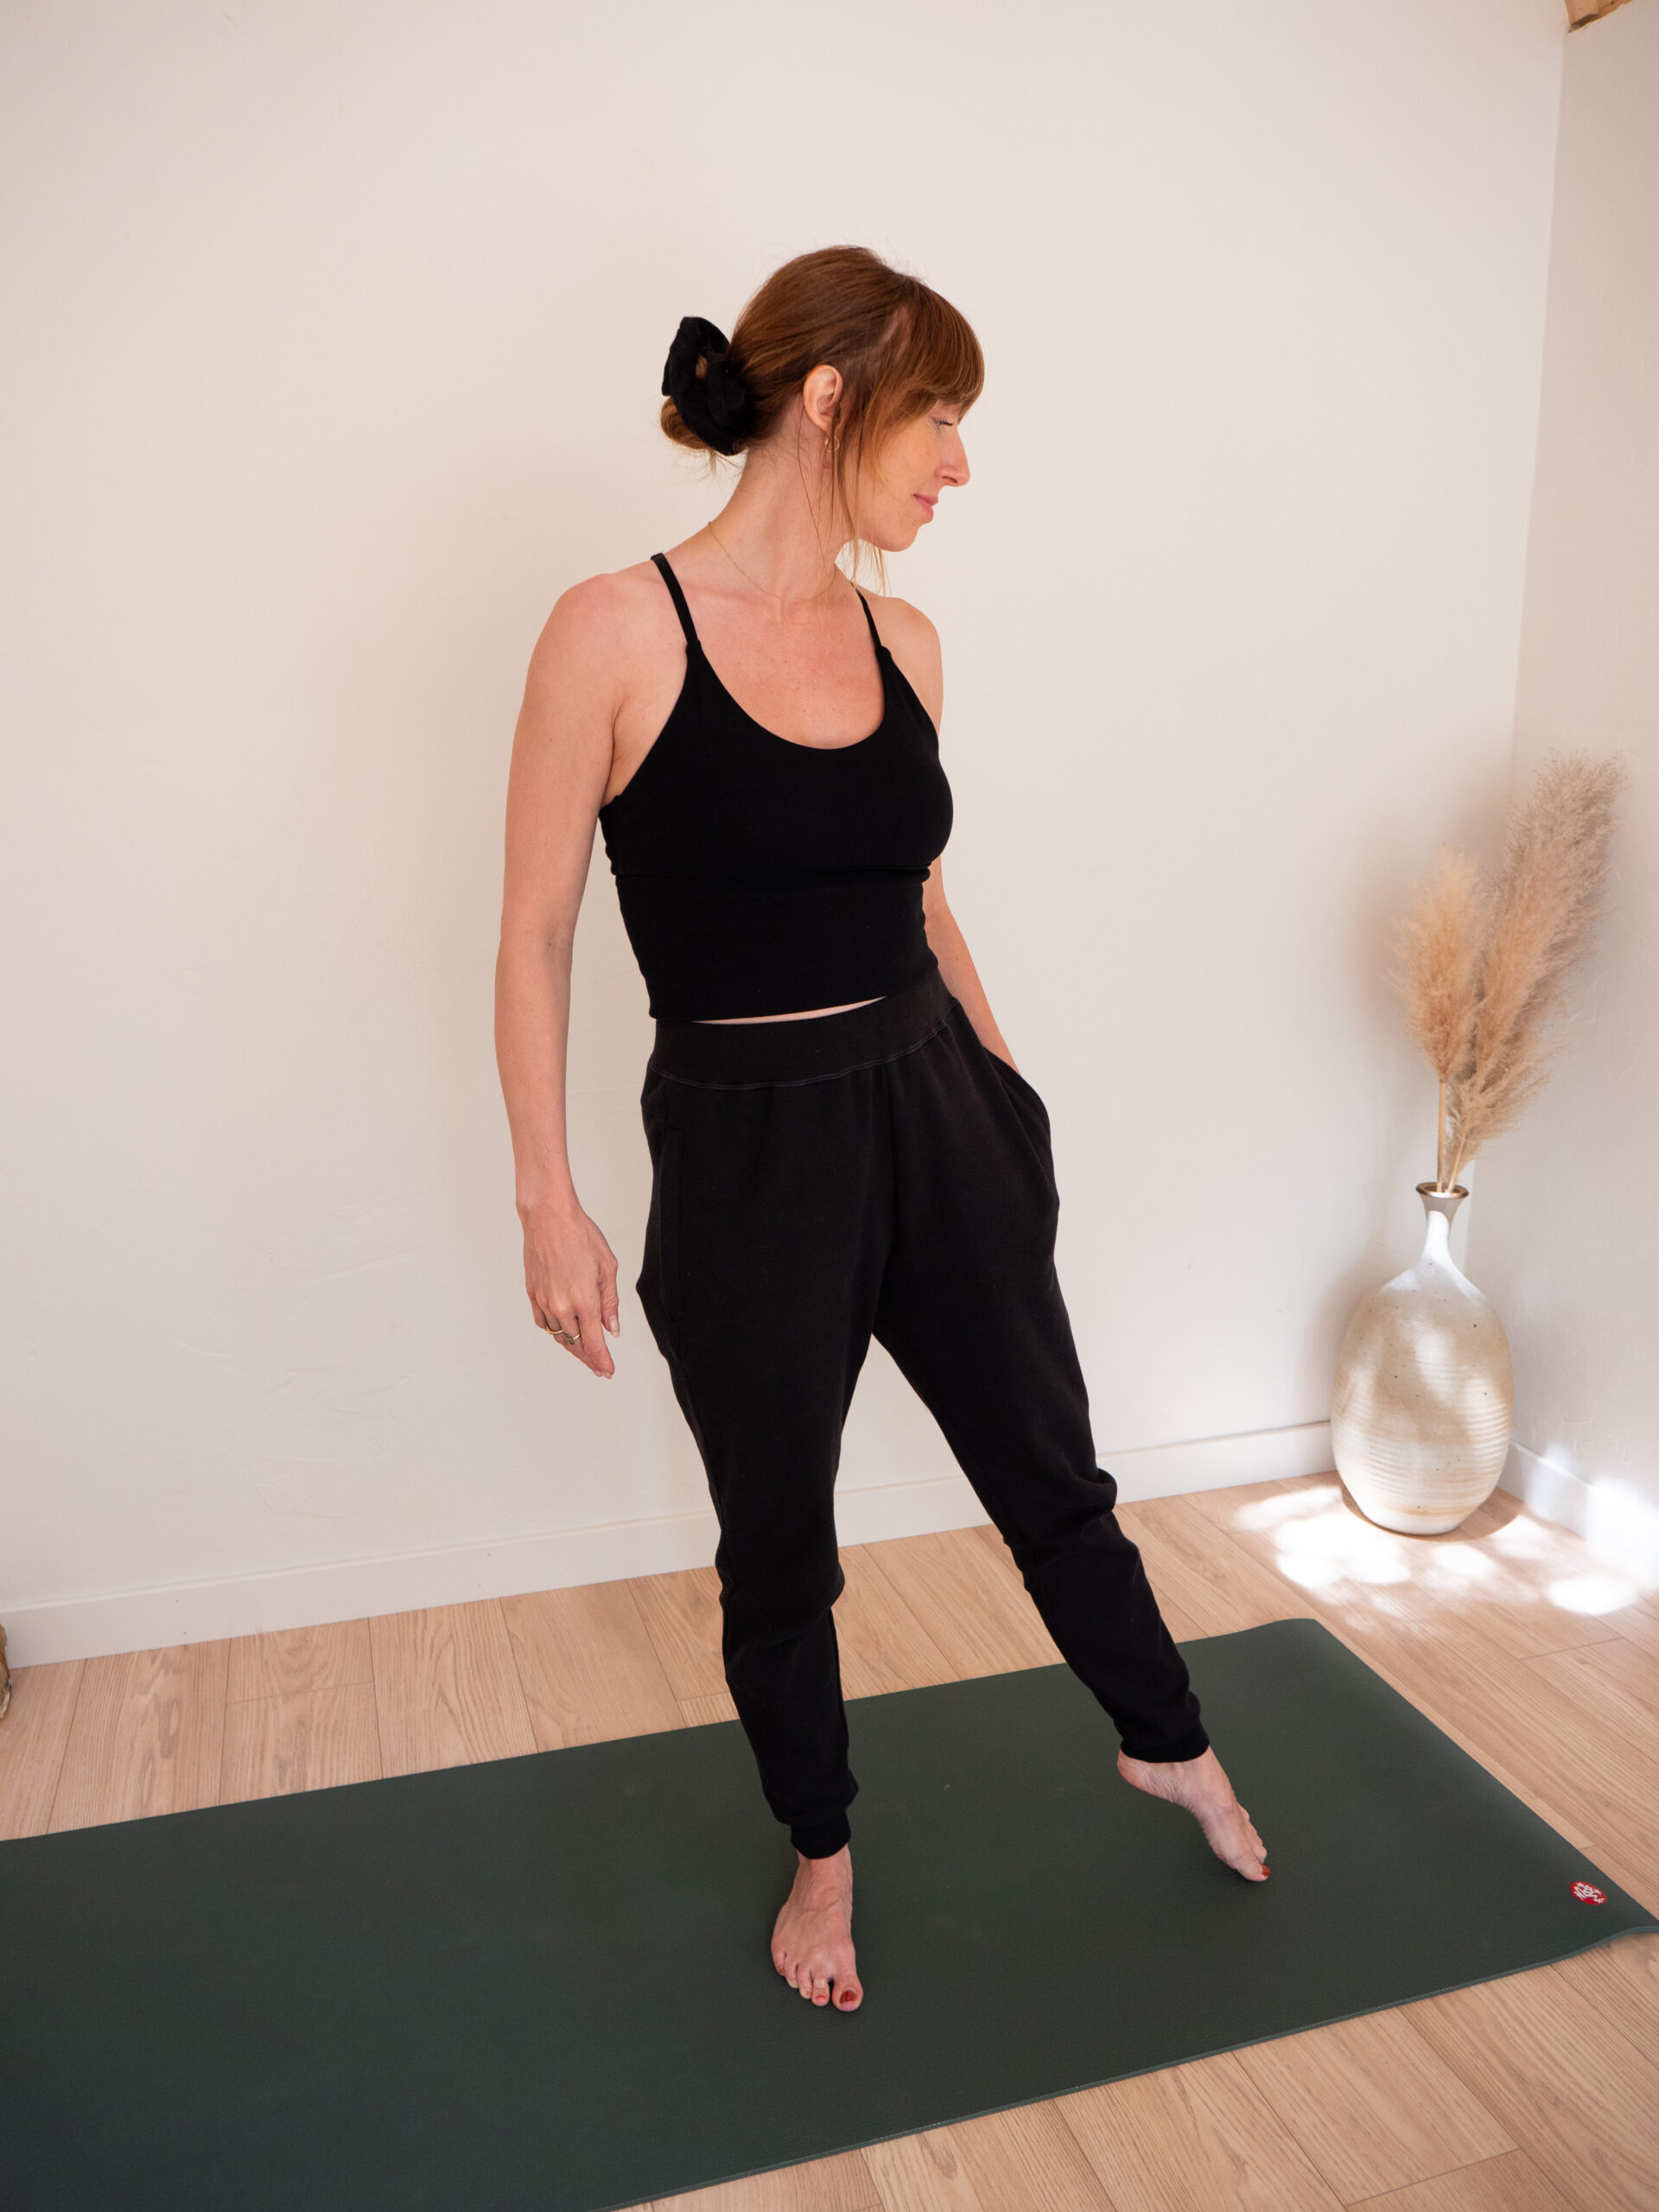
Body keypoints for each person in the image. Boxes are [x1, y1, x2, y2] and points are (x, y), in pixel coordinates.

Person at [493, 245, 1268, 2018]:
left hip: (937, 1100)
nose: (962, 469)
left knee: (1050, 1470)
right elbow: (533, 929)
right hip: (745, 1135)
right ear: (832, 402)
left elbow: (918, 893)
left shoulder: (907, 635)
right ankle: (820, 1845)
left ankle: (1170, 1740)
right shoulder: (614, 629)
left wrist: (1007, 1091)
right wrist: (546, 1191)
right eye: (944, 422)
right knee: (782, 1536)